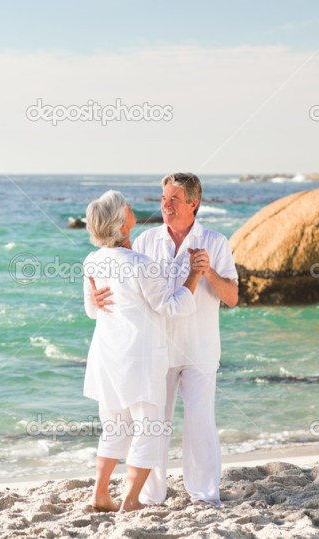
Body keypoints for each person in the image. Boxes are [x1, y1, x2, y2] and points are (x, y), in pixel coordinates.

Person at [90, 173, 238, 507]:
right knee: (154, 427)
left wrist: (209, 273)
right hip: (155, 351)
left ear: (193, 203)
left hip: (200, 347)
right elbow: (122, 286)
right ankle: (149, 495)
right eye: (163, 198)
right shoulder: (144, 242)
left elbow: (231, 297)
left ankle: (204, 495)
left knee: (200, 423)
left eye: (173, 199)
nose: (165, 205)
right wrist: (97, 299)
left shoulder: (215, 241)